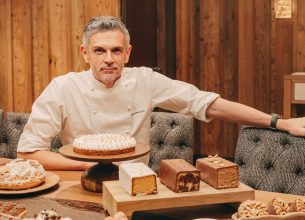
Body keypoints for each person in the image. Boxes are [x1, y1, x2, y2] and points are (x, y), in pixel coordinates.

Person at [17, 16, 305, 170]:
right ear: (85, 54)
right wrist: (88, 167)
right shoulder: (63, 87)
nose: (108, 58)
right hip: (81, 181)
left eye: (116, 50)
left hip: (137, 184)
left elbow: (207, 103)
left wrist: (280, 122)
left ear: (127, 53)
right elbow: (28, 151)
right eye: (99, 50)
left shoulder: (145, 80)